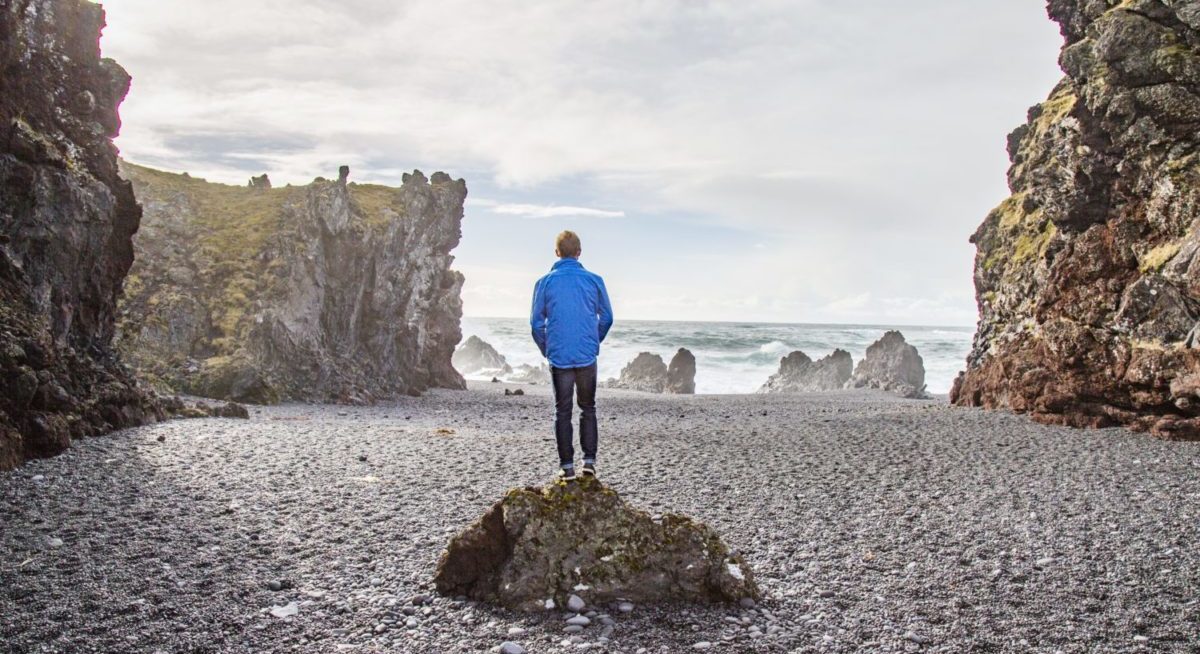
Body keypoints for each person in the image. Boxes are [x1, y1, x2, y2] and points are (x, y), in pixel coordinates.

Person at [530, 230, 614, 481]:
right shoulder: (594, 280)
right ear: (579, 252)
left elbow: (536, 324)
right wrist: (592, 341)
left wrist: (548, 348)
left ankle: (566, 467)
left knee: (562, 411)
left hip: (559, 355)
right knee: (588, 407)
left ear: (557, 252)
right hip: (586, 355)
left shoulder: (544, 282)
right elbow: (607, 318)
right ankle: (589, 462)